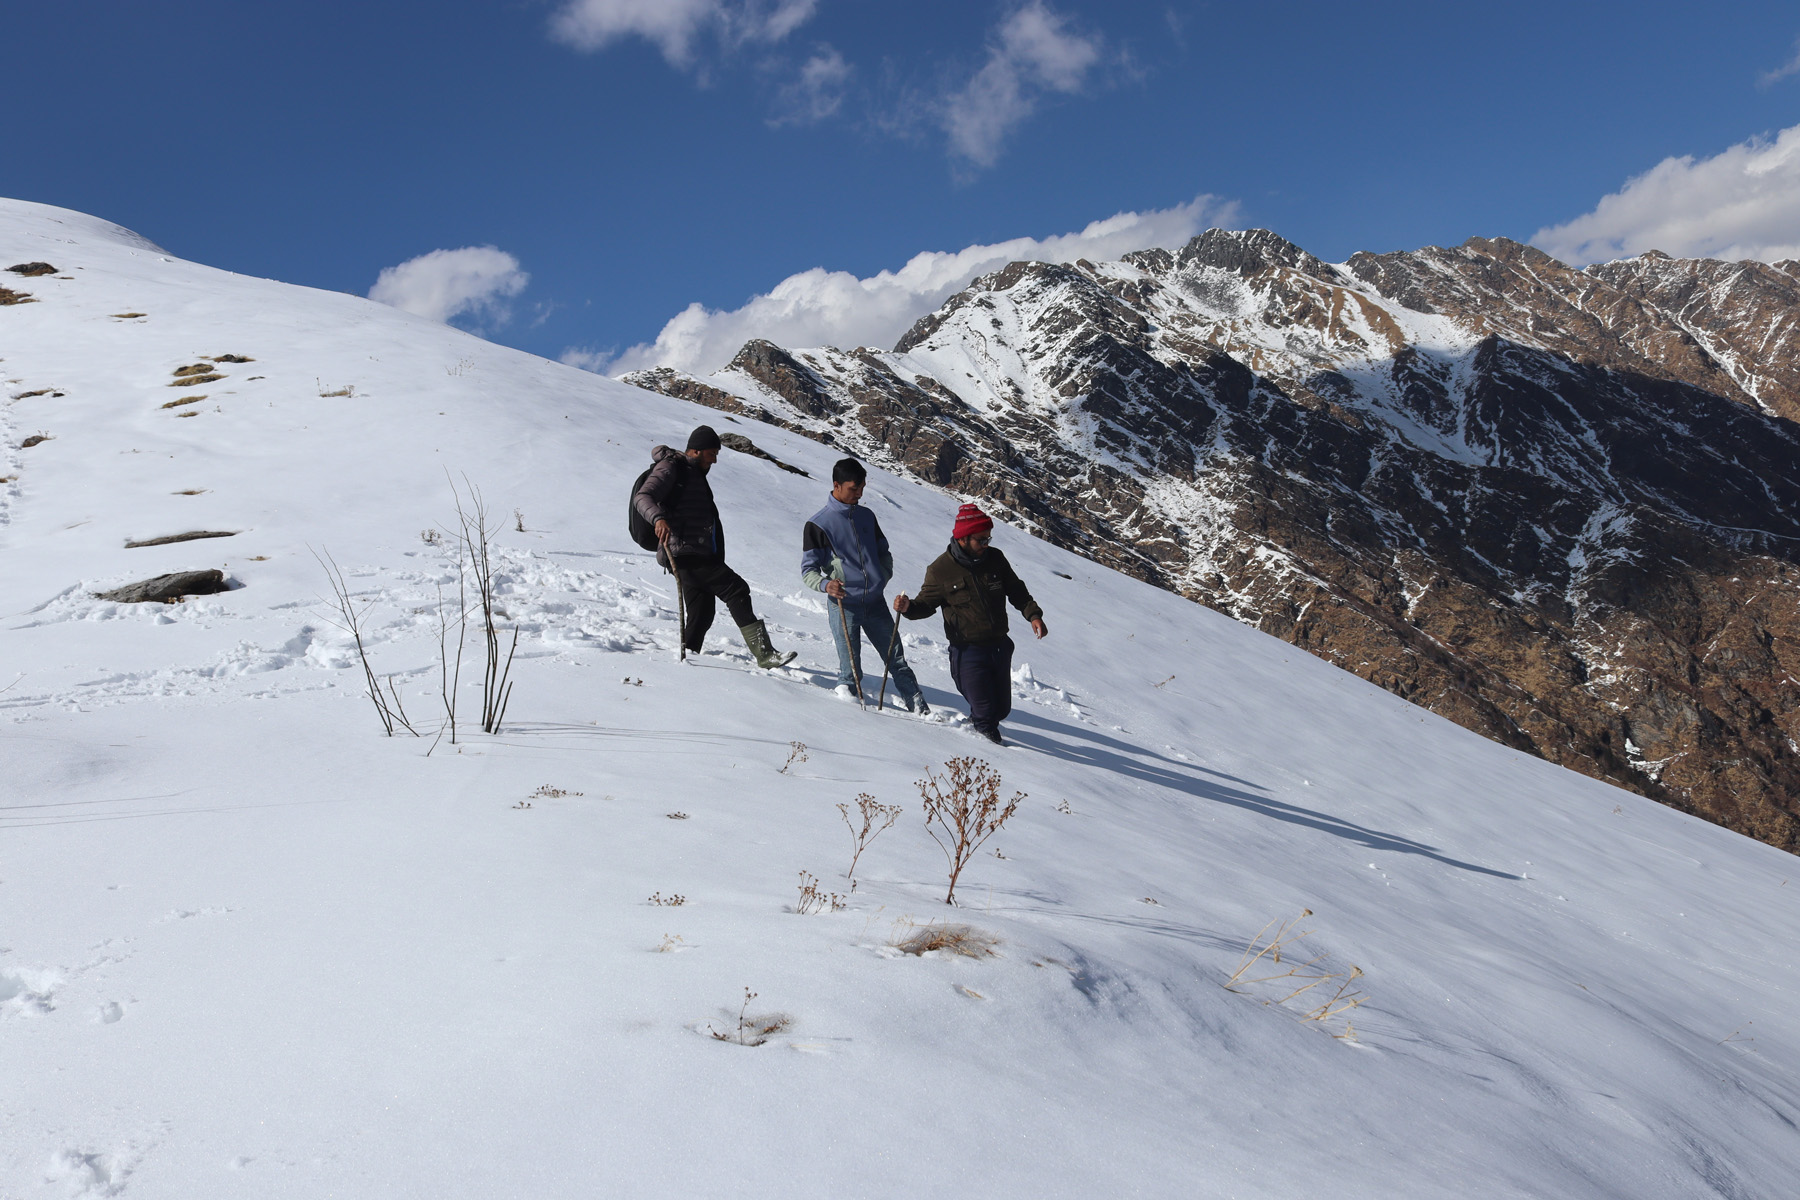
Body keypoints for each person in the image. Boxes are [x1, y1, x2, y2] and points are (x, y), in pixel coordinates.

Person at [633, 425, 795, 668]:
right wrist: (658, 519)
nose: (715, 461)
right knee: (736, 589)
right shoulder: (671, 467)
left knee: (702, 612)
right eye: (712, 454)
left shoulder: (692, 473)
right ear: (696, 451)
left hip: (694, 552)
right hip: (683, 552)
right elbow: (643, 497)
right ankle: (765, 655)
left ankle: (687, 660)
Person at [895, 503, 1046, 744]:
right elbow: (925, 604)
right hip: (967, 651)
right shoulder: (940, 570)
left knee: (1001, 710)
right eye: (981, 540)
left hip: (999, 646)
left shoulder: (995, 558)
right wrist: (908, 608)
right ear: (963, 538)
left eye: (988, 539)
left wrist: (1033, 614)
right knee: (985, 713)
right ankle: (986, 748)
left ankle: (983, 726)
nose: (986, 545)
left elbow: (1015, 589)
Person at [801, 458, 928, 713]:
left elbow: (884, 552)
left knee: (897, 660)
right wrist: (827, 585)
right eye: (853, 489)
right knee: (850, 669)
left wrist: (882, 575)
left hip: (875, 602)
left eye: (862, 489)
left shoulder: (866, 516)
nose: (859, 494)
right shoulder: (818, 524)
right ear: (836, 485)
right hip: (843, 605)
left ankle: (920, 709)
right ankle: (856, 719)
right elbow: (808, 571)